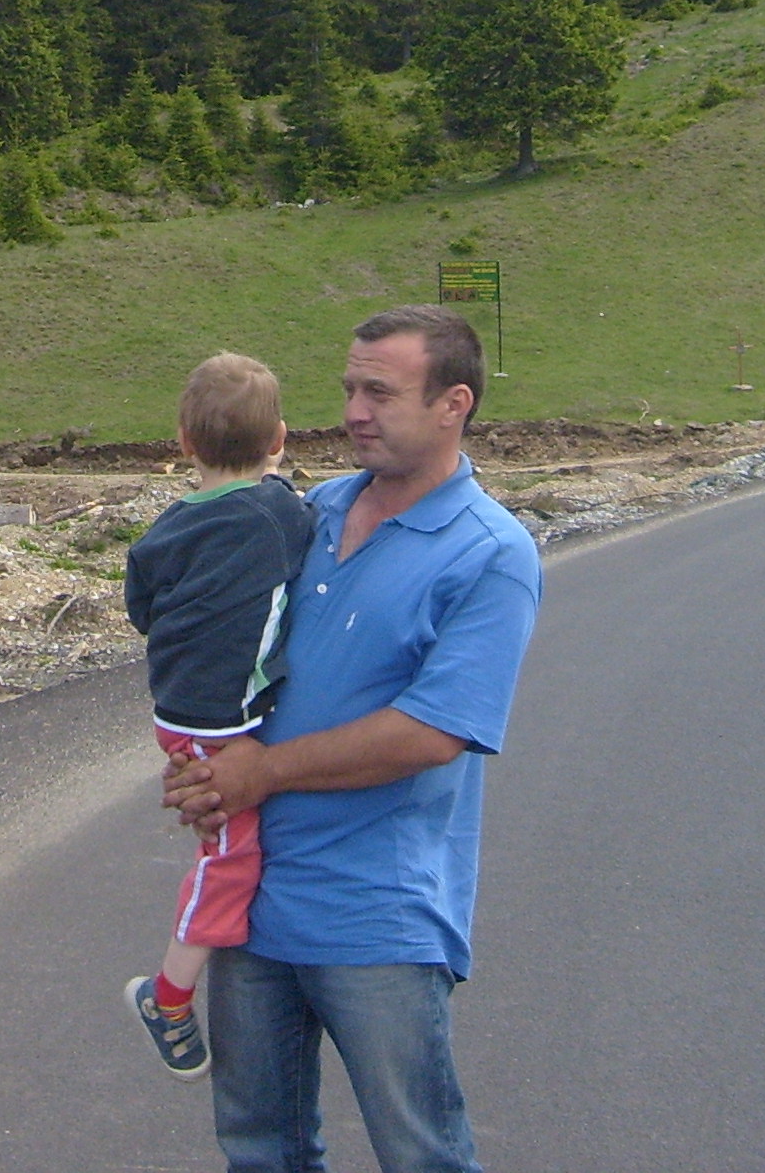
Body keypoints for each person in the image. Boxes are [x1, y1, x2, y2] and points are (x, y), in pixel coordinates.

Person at [164, 306, 541, 1173]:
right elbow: (226, 650)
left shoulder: (491, 553)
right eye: (348, 390)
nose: (354, 412)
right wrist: (202, 764)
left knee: (421, 1154)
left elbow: (433, 732)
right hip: (252, 907)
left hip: (379, 920)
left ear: (453, 404)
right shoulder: (310, 511)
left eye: (380, 393)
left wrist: (259, 773)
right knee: (261, 1149)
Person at [122, 353, 318, 1077]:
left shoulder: (167, 528)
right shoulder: (280, 514)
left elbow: (141, 606)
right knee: (229, 858)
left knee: (223, 835)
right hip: (222, 723)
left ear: (183, 441)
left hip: (177, 707)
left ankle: (182, 982)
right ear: (280, 439)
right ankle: (168, 994)